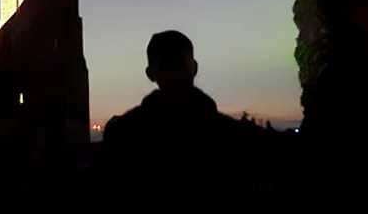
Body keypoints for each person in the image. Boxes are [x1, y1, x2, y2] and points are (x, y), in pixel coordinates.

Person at [102, 30, 262, 177]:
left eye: (177, 65)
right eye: (167, 66)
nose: (174, 74)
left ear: (150, 74)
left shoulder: (123, 133)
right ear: (194, 68)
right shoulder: (234, 136)